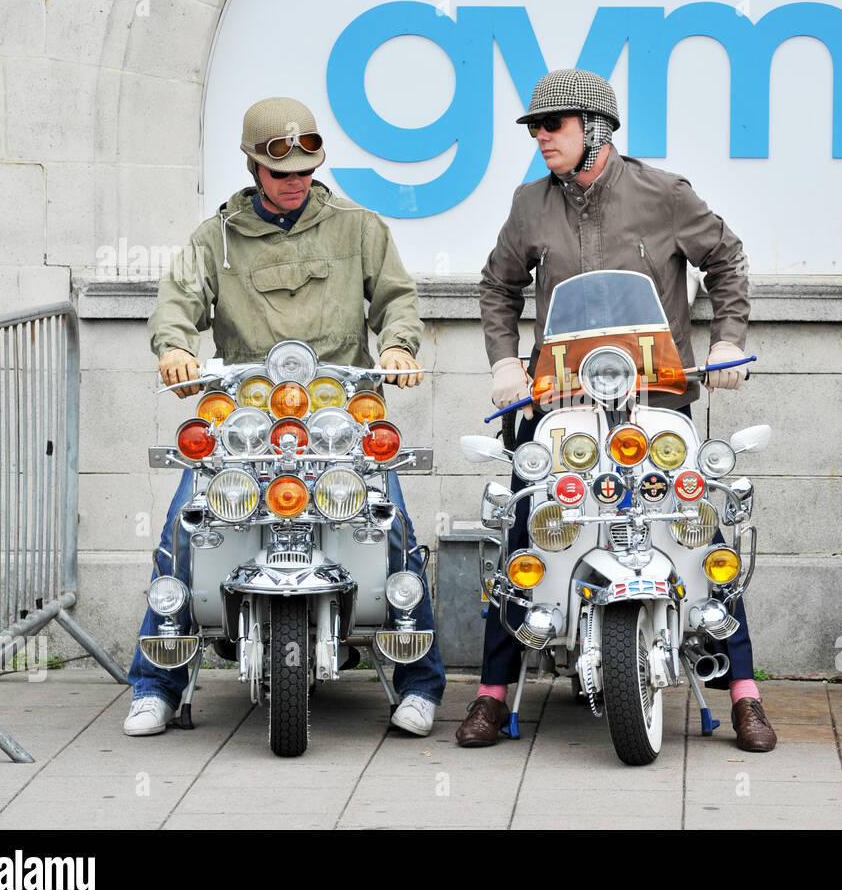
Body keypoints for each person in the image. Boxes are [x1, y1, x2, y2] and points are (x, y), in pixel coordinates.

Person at [455, 68, 776, 752]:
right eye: (536, 127)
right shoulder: (530, 204)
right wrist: (506, 361)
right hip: (559, 399)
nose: (541, 137)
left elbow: (726, 258)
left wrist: (727, 340)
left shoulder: (665, 194)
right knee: (524, 527)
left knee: (697, 520)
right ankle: (490, 692)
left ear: (594, 128)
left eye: (554, 126)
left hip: (658, 394)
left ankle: (744, 689)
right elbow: (497, 285)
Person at [123, 97, 445, 738]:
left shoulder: (359, 227)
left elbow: (397, 299)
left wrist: (399, 345)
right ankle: (155, 684)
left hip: (343, 412)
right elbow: (176, 303)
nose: (295, 182)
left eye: (305, 170)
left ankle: (420, 682)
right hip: (243, 418)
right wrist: (177, 348)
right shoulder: (214, 237)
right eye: (281, 173)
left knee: (396, 528)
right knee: (184, 528)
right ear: (252, 167)